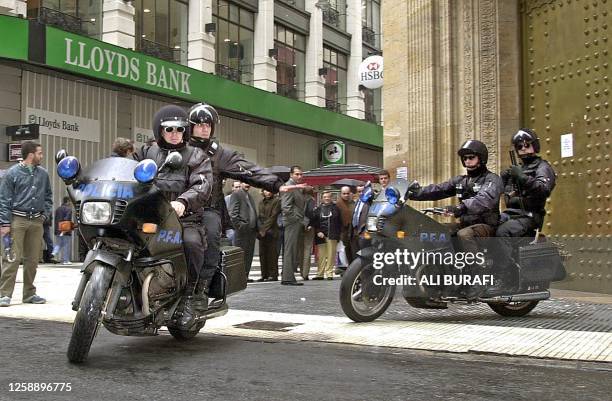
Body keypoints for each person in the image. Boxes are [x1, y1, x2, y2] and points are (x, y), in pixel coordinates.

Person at [187, 102, 304, 290]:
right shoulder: (179, 147)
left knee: (210, 237)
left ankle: (200, 289)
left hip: (207, 209)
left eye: (207, 125)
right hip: (178, 207)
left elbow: (249, 169)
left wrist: (275, 184)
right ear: (190, 126)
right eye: (200, 124)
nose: (204, 129)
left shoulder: (219, 154)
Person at [133, 104, 213, 328]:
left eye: (180, 129)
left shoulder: (196, 156)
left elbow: (203, 184)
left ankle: (190, 295)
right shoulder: (147, 152)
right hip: (149, 217)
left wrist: (182, 202)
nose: (175, 134)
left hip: (183, 220)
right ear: (159, 131)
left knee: (191, 243)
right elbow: (125, 168)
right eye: (169, 129)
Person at [406, 140, 503, 286]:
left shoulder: (492, 180)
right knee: (439, 231)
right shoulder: (461, 181)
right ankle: (447, 273)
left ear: (481, 159)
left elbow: (484, 199)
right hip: (465, 223)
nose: (468, 161)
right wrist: (413, 193)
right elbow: (438, 189)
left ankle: (478, 276)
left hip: (486, 226)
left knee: (464, 235)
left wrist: (460, 208)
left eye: (471, 157)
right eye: (465, 158)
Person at [493, 128, 556, 289]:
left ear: (535, 146)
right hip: (511, 214)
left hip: (529, 216)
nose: (523, 149)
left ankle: (505, 277)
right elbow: (505, 195)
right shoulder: (515, 169)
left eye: (527, 145)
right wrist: (503, 178)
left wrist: (523, 177)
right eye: (519, 147)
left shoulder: (543, 167)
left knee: (502, 233)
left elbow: (543, 189)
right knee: (488, 226)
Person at [0, 141, 52, 307]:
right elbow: (4, 200)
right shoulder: (12, 174)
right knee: (11, 258)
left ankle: (29, 294)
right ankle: (5, 294)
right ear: (31, 155)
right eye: (40, 153)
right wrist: (5, 223)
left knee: (33, 260)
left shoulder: (43, 174)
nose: (41, 156)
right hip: (17, 220)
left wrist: (44, 216)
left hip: (36, 221)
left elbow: (48, 197)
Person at [280, 166, 307, 286]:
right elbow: (286, 207)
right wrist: (296, 218)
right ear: (291, 174)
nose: (299, 176)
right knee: (290, 249)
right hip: (292, 222)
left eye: (301, 174)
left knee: (292, 249)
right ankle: (288, 277)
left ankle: (288, 276)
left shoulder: (296, 187)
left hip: (295, 221)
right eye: (297, 174)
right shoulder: (289, 187)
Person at [229, 182, 259, 281]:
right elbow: (233, 214)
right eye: (245, 182)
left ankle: (245, 276)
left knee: (249, 255)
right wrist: (240, 226)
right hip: (242, 231)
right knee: (241, 255)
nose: (248, 184)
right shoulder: (237, 194)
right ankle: (240, 277)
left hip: (251, 231)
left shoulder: (249, 196)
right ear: (241, 183)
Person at [311, 191, 342, 280]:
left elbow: (339, 222)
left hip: (332, 234)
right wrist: (318, 231)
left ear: (331, 198)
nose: (327, 198)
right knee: (321, 255)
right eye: (325, 197)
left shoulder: (336, 208)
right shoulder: (318, 209)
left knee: (331, 255)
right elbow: (315, 222)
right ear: (322, 198)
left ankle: (329, 273)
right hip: (321, 235)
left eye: (328, 197)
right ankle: (320, 274)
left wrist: (338, 234)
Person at [257, 189, 281, 281]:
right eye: (265, 191)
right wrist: (260, 229)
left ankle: (273, 274)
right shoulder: (261, 202)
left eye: (269, 191)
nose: (267, 192)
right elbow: (259, 216)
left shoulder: (276, 201)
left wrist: (264, 229)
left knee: (272, 254)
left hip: (272, 231)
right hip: (262, 232)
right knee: (262, 254)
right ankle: (264, 274)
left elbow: (273, 217)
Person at [335, 186, 355, 271]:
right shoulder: (338, 204)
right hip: (343, 230)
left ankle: (351, 267)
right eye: (344, 193)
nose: (346, 195)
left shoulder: (352, 203)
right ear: (341, 194)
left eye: (347, 193)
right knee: (344, 250)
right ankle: (343, 268)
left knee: (352, 249)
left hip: (352, 230)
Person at [300, 187, 316, 280]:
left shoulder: (300, 199)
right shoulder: (311, 200)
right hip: (308, 227)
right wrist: (310, 224)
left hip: (299, 225)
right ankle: (305, 273)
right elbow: (311, 213)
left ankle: (301, 270)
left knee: (300, 251)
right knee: (307, 250)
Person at [53, 196, 73, 265]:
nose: (70, 203)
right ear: (67, 201)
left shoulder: (58, 209)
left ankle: (54, 253)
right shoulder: (69, 209)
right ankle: (65, 260)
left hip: (57, 229)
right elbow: (67, 219)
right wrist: (65, 230)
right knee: (66, 245)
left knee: (59, 243)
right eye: (70, 201)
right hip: (65, 230)